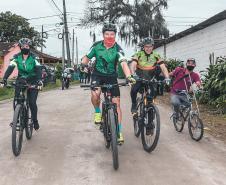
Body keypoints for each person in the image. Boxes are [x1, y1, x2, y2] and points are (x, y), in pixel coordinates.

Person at [80, 23, 136, 144]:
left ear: (115, 35)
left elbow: (123, 63)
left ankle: (119, 131)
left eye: (112, 34)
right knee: (95, 93)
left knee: (117, 104)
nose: (109, 36)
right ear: (103, 35)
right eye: (107, 34)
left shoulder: (118, 48)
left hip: (111, 76)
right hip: (97, 75)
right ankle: (97, 112)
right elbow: (86, 57)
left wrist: (129, 76)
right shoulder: (96, 46)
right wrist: (83, 64)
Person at [1, 38, 43, 130]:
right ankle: (17, 118)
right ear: (20, 47)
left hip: (33, 80)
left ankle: (35, 120)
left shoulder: (34, 57)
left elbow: (39, 69)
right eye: (23, 46)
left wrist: (39, 80)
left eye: (27, 46)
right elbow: (11, 67)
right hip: (21, 80)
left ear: (29, 47)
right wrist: (4, 78)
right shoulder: (16, 57)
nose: (25, 47)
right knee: (17, 99)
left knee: (32, 102)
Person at [130, 37, 170, 113]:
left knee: (152, 95)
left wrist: (167, 77)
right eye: (146, 46)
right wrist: (133, 74)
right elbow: (133, 65)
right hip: (139, 76)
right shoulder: (138, 54)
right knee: (134, 90)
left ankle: (150, 118)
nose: (148, 48)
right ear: (143, 47)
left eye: (150, 46)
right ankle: (134, 104)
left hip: (150, 77)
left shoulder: (156, 55)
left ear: (153, 46)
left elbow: (163, 67)